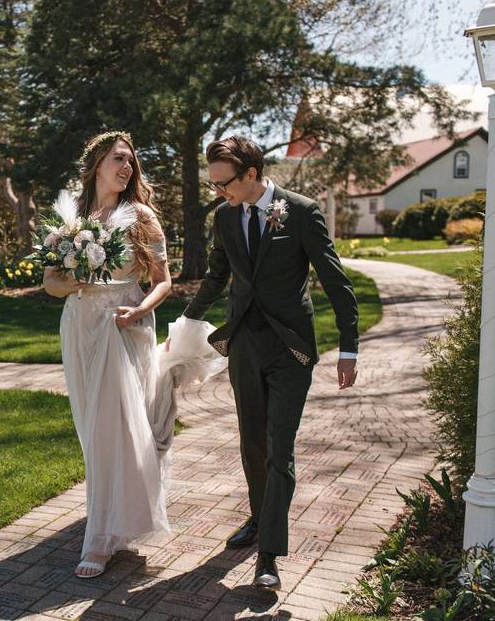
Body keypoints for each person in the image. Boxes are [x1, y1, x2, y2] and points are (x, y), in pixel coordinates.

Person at [177, 136, 359, 591]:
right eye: (214, 185)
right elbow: (219, 275)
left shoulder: (300, 211)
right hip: (244, 346)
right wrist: (185, 323)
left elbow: (335, 281)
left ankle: (269, 554)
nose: (219, 193)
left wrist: (350, 346)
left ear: (252, 174)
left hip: (290, 348)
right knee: (252, 443)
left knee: (280, 448)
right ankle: (259, 518)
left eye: (224, 184)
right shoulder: (224, 217)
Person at [42, 131, 175, 579]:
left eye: (131, 161)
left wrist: (139, 307)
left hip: (125, 324)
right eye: (118, 159)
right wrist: (75, 278)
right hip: (80, 325)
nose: (127, 167)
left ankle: (99, 539)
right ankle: (114, 516)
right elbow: (50, 281)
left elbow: (163, 281)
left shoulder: (141, 215)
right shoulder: (74, 218)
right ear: (96, 163)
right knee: (91, 426)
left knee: (111, 428)